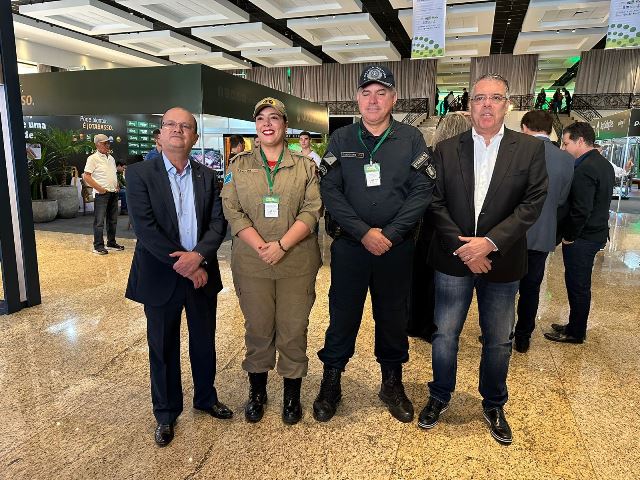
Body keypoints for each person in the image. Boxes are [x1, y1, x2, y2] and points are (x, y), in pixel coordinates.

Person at [417, 74, 547, 445]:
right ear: (469, 105)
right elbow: (434, 201)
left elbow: (532, 203)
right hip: (453, 259)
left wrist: (489, 243)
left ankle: (493, 403)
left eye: (495, 98)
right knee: (444, 335)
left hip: (502, 262)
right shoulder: (444, 149)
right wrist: (466, 248)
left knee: (498, 340)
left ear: (507, 104)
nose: (486, 105)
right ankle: (440, 394)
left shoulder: (529, 149)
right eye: (479, 98)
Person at [313, 65, 435, 424]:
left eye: (381, 93)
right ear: (357, 98)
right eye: (366, 92)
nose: (373, 99)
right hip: (351, 246)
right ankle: (331, 381)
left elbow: (422, 189)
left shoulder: (411, 138)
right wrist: (364, 232)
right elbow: (330, 190)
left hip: (396, 249)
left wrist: (392, 233)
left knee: (393, 315)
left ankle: (391, 383)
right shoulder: (342, 139)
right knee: (342, 315)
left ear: (393, 98)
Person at [125, 107, 232, 447]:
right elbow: (145, 228)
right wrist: (187, 264)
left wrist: (198, 257)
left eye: (185, 126)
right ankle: (167, 413)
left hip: (201, 275)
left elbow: (219, 223)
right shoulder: (140, 174)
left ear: (194, 137)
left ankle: (206, 398)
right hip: (161, 277)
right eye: (170, 124)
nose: (177, 130)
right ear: (159, 133)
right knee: (163, 346)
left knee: (204, 342)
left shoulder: (207, 175)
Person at [221, 97, 321, 425]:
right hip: (252, 263)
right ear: (255, 126)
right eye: (261, 118)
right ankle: (258, 392)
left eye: (274, 118)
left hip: (296, 262)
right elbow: (232, 210)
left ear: (285, 126)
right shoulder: (238, 166)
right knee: (258, 328)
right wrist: (263, 245)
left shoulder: (305, 167)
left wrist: (282, 245)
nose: (267, 123)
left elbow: (312, 210)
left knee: (293, 328)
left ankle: (292, 395)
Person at [544, 122, 615, 344]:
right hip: (596, 233)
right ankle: (574, 324)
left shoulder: (585, 168)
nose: (564, 148)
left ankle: (576, 332)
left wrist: (570, 236)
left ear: (580, 141)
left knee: (578, 284)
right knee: (579, 283)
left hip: (583, 237)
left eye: (566, 143)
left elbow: (581, 209)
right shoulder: (603, 164)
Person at [513, 110, 574, 353]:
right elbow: (561, 199)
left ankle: (499, 334)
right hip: (543, 233)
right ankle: (523, 336)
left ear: (525, 127)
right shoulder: (565, 159)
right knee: (532, 287)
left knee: (504, 288)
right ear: (550, 130)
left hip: (511, 233)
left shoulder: (515, 152)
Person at [408, 112, 472, 342]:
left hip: (423, 227)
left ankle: (414, 323)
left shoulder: (427, 157)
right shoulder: (466, 161)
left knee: (420, 278)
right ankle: (433, 327)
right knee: (442, 283)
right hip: (453, 230)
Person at [83, 134, 124, 255]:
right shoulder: (92, 158)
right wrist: (99, 189)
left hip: (113, 193)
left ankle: (111, 243)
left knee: (113, 220)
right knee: (99, 221)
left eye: (108, 143)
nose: (108, 145)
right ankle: (98, 246)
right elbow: (87, 176)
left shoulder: (111, 158)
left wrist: (116, 185)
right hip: (102, 194)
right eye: (105, 143)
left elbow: (113, 174)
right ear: (97, 144)